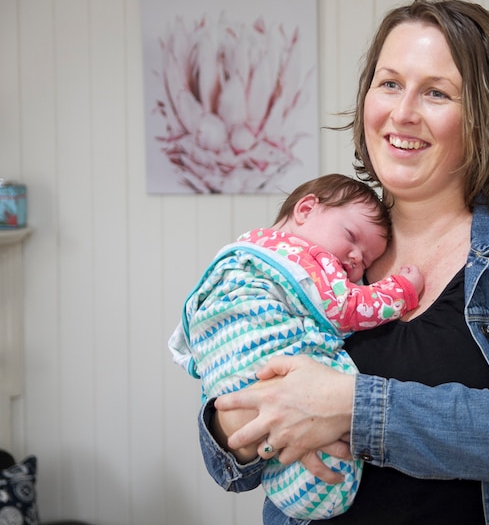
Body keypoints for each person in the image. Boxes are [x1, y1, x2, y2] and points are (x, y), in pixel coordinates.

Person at [197, 0, 489, 524]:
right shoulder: (319, 244)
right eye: (389, 83)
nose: (402, 112)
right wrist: (234, 427)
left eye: (436, 93)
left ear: (485, 118)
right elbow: (227, 455)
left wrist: (350, 405)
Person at [170, 173, 424, 520]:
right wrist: (401, 290)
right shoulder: (300, 257)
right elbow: (344, 307)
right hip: (253, 358)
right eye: (351, 238)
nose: (354, 260)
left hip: (229, 384)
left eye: (365, 262)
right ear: (306, 209)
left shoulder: (246, 247)